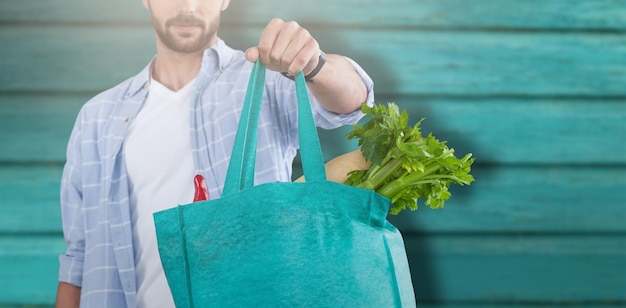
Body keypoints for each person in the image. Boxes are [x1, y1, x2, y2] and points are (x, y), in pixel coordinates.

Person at [55, 0, 374, 306]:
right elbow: (78, 261)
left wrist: (314, 63)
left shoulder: (264, 80)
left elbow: (353, 102)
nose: (188, 5)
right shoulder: (96, 117)